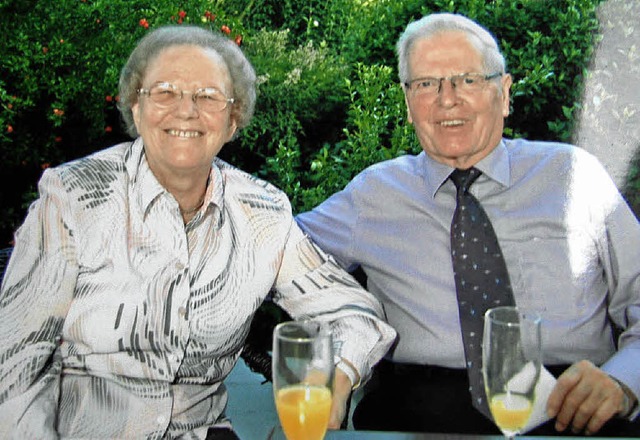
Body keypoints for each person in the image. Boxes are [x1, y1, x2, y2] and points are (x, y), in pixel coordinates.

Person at [0, 25, 396, 438]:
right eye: (165, 92)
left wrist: (343, 372)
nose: (186, 110)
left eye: (207, 96)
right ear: (136, 107)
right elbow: (15, 360)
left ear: (233, 119)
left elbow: (351, 310)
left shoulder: (262, 211)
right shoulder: (73, 197)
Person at [296, 12, 640, 437]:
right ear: (407, 104)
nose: (447, 99)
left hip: (572, 408)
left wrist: (624, 382)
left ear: (505, 92)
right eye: (426, 84)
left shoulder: (574, 177)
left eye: (468, 80)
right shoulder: (373, 195)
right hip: (417, 412)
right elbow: (272, 253)